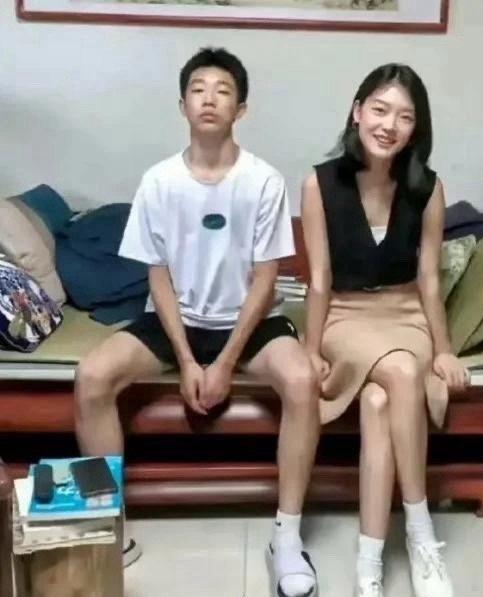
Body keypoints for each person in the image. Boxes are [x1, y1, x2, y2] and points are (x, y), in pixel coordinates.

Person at [74, 47, 320, 597]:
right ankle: (109, 529)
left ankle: (287, 537)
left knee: (303, 380)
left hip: (248, 320)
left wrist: (225, 362)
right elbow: (157, 275)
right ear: (182, 104)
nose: (209, 99)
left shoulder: (263, 180)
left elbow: (266, 278)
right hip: (176, 321)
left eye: (223, 90)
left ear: (241, 109)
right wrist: (186, 359)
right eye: (198, 89)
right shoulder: (159, 180)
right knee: (91, 376)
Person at [300, 63, 468, 597]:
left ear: (416, 128)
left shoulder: (428, 188)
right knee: (401, 372)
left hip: (405, 316)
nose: (389, 125)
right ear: (357, 112)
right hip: (345, 317)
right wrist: (311, 348)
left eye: (404, 116)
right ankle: (420, 530)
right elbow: (319, 279)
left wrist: (444, 350)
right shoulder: (319, 183)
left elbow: (429, 280)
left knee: (378, 403)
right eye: (379, 109)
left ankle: (369, 564)